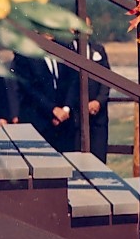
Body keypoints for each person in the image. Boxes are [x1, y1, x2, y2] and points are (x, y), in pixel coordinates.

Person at [11, 41, 79, 153]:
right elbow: (29, 89)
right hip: (38, 122)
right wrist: (53, 110)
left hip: (64, 123)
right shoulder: (25, 52)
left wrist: (65, 109)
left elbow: (74, 80)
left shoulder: (65, 48)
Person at [73, 28, 111, 162]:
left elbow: (107, 79)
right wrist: (80, 103)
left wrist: (98, 101)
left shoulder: (98, 49)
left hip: (98, 114)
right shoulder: (67, 50)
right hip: (74, 115)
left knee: (99, 157)